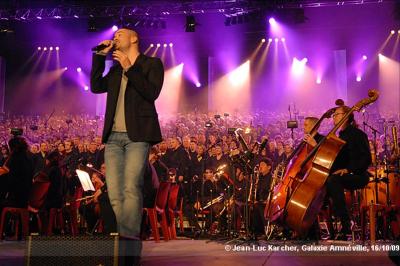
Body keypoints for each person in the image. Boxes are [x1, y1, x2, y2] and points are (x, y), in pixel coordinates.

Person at [90, 26, 164, 265]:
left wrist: (129, 68)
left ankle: (128, 246)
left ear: (134, 38)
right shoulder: (113, 70)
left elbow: (151, 92)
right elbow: (95, 86)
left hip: (138, 136)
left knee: (131, 188)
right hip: (112, 138)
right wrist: (99, 57)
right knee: (114, 193)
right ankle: (125, 244)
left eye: (120, 33)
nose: (115, 36)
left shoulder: (151, 64)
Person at [326, 105, 372, 240]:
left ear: (346, 116)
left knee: (333, 180)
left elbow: (366, 159)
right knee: (326, 181)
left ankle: (347, 224)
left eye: (337, 114)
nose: (334, 117)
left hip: (359, 175)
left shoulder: (358, 134)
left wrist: (348, 169)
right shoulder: (338, 136)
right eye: (333, 115)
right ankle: (316, 227)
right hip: (343, 175)